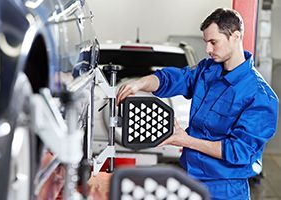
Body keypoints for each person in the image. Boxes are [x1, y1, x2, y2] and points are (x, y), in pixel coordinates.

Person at [116, 8, 279, 199]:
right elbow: (174, 79)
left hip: (225, 190)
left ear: (235, 36)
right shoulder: (207, 70)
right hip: (190, 181)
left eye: (213, 42)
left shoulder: (260, 96)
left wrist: (186, 141)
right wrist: (141, 82)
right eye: (206, 42)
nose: (208, 49)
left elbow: (239, 151)